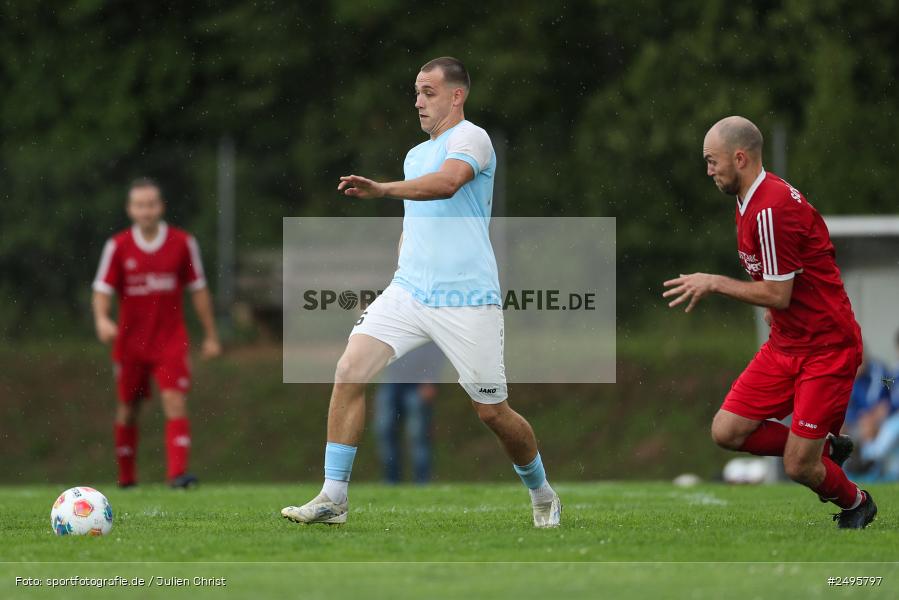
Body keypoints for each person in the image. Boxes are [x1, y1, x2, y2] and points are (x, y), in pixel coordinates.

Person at [281, 57, 561, 528]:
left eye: (428, 91)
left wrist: (384, 189)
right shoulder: (414, 155)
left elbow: (449, 184)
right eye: (415, 91)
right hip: (409, 292)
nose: (418, 101)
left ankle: (543, 493)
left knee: (492, 411)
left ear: (457, 96)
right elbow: (416, 224)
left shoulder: (471, 139)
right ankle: (334, 497)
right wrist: (397, 280)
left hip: (467, 298)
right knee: (349, 369)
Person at [662, 116, 876, 528]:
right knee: (727, 431)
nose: (708, 170)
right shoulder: (748, 200)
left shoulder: (770, 208)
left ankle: (856, 502)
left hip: (824, 348)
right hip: (786, 344)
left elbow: (780, 293)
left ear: (739, 158)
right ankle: (826, 452)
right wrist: (772, 302)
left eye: (712, 161)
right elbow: (781, 279)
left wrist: (716, 283)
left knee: (798, 467)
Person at [92, 178, 221, 489]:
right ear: (130, 209)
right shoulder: (118, 246)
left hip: (170, 340)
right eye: (139, 205)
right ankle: (126, 479)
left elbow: (199, 289)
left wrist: (211, 335)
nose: (146, 210)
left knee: (174, 401)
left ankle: (177, 475)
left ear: (161, 207)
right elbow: (101, 290)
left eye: (151, 204)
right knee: (128, 409)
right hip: (130, 343)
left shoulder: (182, 242)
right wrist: (101, 318)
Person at [374, 342, 445, 484]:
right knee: (385, 432)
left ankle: (422, 482)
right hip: (392, 381)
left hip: (419, 383)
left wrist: (430, 379)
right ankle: (391, 481)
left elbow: (437, 350)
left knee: (418, 435)